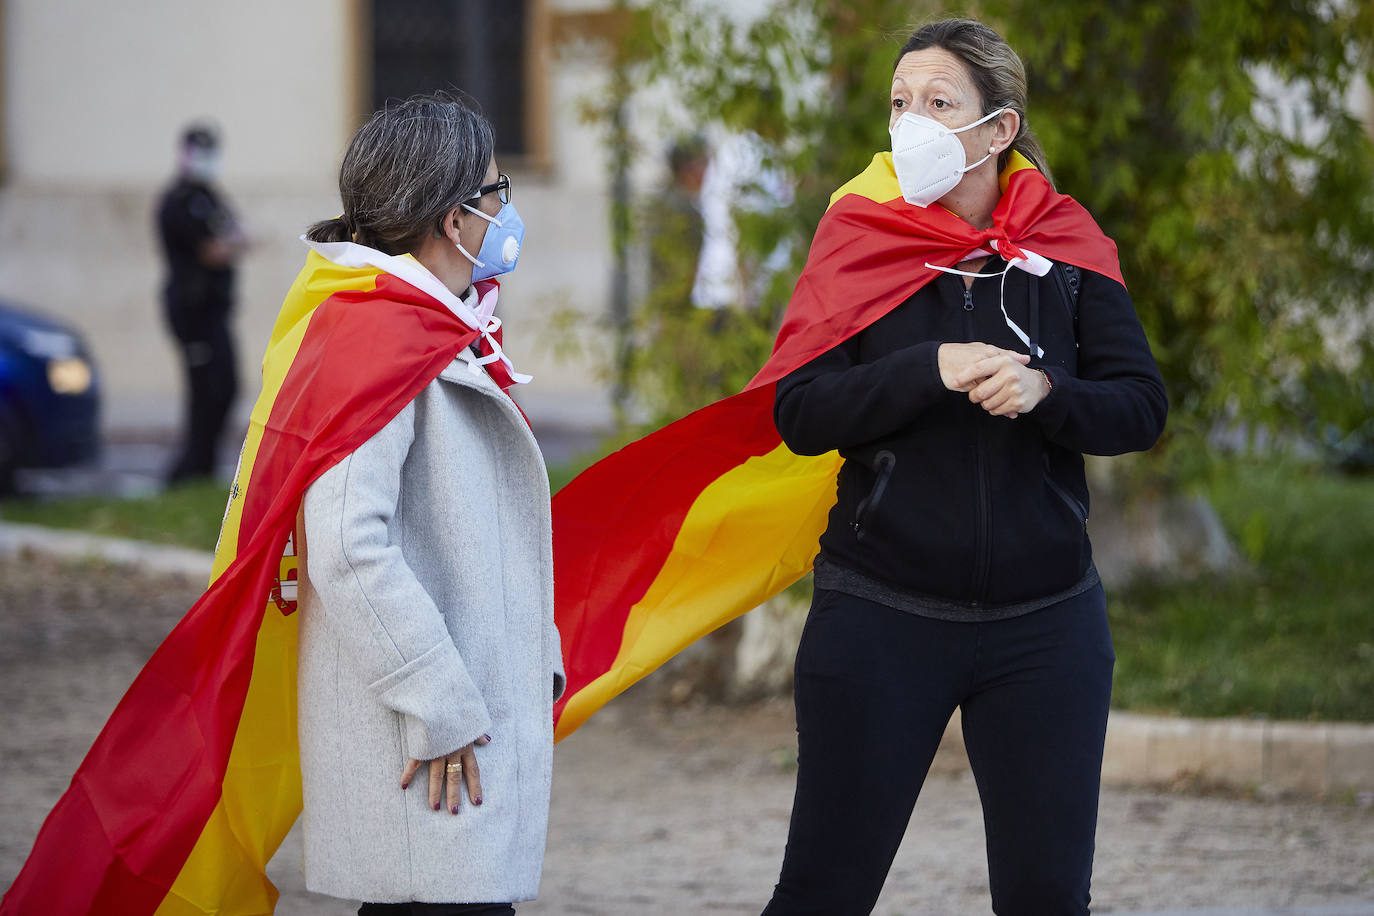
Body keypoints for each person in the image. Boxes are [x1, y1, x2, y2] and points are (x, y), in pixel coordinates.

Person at [762, 18, 1167, 916]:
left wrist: (1047, 392)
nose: (911, 122)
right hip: (881, 615)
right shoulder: (858, 236)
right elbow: (800, 411)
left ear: (999, 129)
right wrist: (925, 370)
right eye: (899, 102)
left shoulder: (1066, 247)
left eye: (939, 103)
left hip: (1046, 627)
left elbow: (1140, 407)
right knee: (824, 892)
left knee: (1047, 897)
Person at [295, 93, 563, 914]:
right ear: (454, 220)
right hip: (431, 735)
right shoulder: (380, 340)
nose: (506, 213)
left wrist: (536, 656)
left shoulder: (430, 327)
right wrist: (439, 704)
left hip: (459, 721)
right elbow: (347, 544)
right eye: (496, 193)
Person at [156, 123, 248, 483]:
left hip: (215, 309)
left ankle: (203, 463)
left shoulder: (209, 196)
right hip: (192, 310)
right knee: (204, 388)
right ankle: (189, 469)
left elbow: (237, 234)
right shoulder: (179, 200)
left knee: (224, 385)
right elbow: (212, 249)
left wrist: (232, 244)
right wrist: (231, 245)